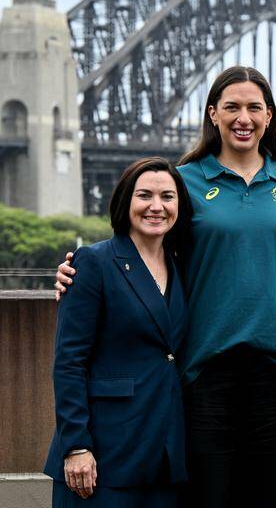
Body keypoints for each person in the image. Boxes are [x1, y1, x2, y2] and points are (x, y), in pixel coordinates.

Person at [54, 66, 276, 508]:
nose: (243, 117)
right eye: (231, 107)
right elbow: (140, 253)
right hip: (203, 369)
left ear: (269, 116)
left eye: (254, 107)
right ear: (212, 114)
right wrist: (74, 271)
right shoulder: (184, 182)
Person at [44, 157, 193, 506]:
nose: (156, 207)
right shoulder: (93, 262)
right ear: (125, 201)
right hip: (104, 451)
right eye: (145, 195)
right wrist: (77, 445)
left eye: (168, 197)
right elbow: (69, 362)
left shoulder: (181, 265)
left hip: (163, 450)